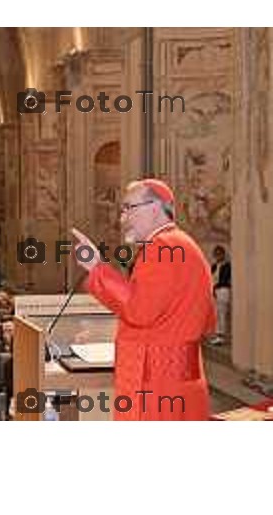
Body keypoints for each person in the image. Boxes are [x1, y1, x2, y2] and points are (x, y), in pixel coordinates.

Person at [71, 178, 216, 421]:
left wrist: (97, 269)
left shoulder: (162, 247)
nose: (122, 219)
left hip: (156, 388)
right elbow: (208, 321)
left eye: (129, 208)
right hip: (181, 381)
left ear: (155, 207)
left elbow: (139, 310)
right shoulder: (185, 245)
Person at [210, 245, 231, 345]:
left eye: (219, 254)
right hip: (215, 291)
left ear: (223, 254)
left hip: (223, 290)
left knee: (222, 313)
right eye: (216, 254)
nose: (217, 256)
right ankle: (217, 334)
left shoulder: (227, 265)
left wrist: (216, 285)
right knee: (216, 314)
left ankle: (221, 335)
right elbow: (211, 277)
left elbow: (224, 279)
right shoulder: (214, 266)